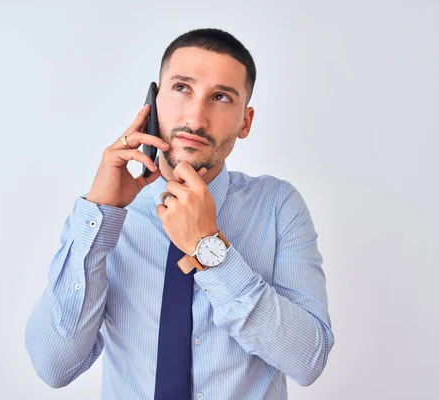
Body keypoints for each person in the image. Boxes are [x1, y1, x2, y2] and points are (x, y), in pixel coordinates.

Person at [25, 28, 334, 399]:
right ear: (153, 102)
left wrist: (208, 249)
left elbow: (308, 359)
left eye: (220, 97)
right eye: (182, 88)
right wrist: (101, 215)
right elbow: (53, 366)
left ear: (245, 122)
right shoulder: (105, 215)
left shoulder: (278, 206)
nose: (196, 116)